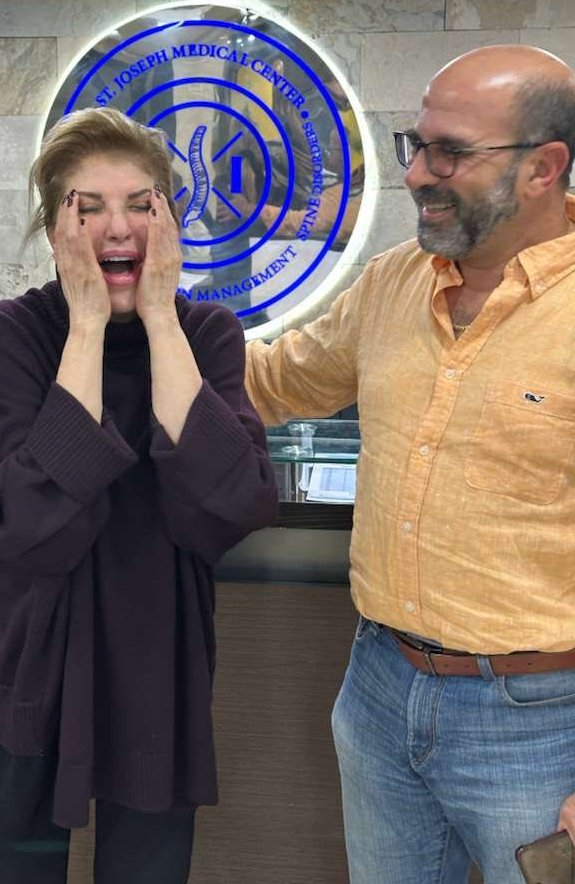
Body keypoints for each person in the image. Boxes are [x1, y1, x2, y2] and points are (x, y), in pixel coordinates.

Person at [244, 44, 575, 884]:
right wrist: (134, 311)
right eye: (416, 145)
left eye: (450, 152)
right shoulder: (394, 282)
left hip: (543, 725)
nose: (418, 173)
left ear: (544, 168)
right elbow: (274, 383)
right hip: (380, 690)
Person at [0, 106, 279, 884]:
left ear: (171, 222)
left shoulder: (208, 335)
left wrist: (162, 319)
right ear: (54, 231)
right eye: (89, 209)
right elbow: (23, 525)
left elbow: (234, 504)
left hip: (155, 665)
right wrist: (87, 329)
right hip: (23, 663)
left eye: (140, 204)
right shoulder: (7, 333)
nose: (119, 227)